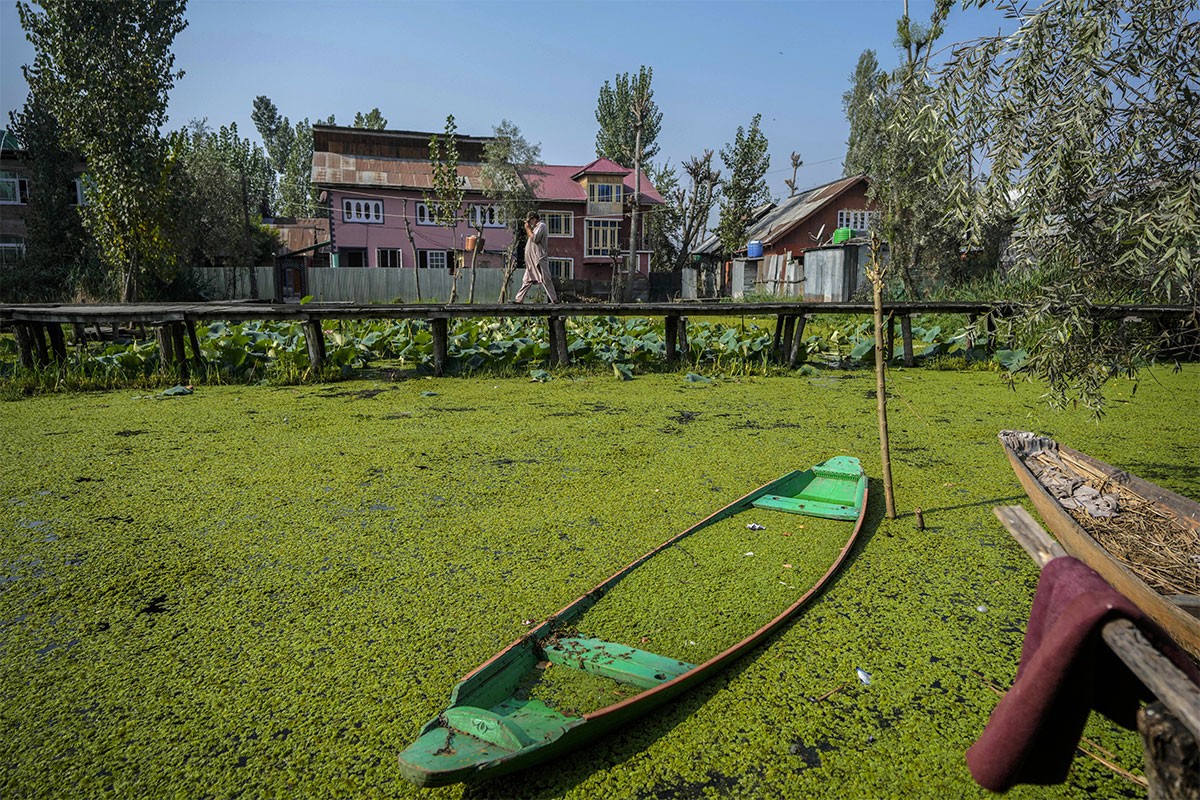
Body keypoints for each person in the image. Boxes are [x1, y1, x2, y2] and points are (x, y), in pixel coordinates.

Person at [514, 211, 558, 303]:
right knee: (526, 280)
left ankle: (554, 300)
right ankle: (519, 299)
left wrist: (527, 229)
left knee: (546, 279)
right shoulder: (536, 227)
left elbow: (535, 238)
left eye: (530, 221)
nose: (530, 224)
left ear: (534, 219)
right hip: (531, 260)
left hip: (539, 258)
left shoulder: (542, 226)